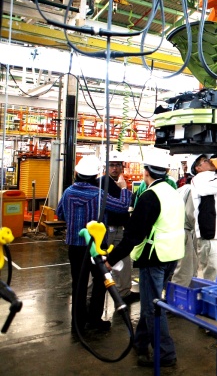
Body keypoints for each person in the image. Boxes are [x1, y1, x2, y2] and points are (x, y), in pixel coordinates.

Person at [105, 154, 185, 367]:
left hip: (154, 257)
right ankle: (140, 341)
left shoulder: (150, 196)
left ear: (146, 171)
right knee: (152, 301)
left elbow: (133, 234)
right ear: (165, 172)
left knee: (152, 307)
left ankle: (166, 354)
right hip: (172, 255)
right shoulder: (173, 192)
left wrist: (111, 259)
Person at [56, 155, 131, 331]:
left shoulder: (68, 192)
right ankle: (95, 320)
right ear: (96, 175)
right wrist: (124, 188)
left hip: (75, 246)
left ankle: (77, 324)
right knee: (100, 281)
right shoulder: (98, 194)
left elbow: (60, 214)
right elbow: (122, 206)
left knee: (78, 284)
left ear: (77, 173)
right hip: (96, 248)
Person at [98, 151, 139, 304]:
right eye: (111, 165)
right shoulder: (102, 183)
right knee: (101, 264)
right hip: (106, 230)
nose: (114, 168)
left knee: (124, 262)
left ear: (122, 167)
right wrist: (124, 189)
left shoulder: (121, 183)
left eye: (117, 165)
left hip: (120, 229)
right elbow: (122, 206)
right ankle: (93, 296)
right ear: (106, 167)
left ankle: (124, 293)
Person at [171, 169, 198, 287]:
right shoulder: (193, 190)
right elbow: (191, 215)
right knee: (184, 271)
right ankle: (178, 295)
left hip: (174, 229)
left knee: (178, 268)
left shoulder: (178, 190)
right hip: (185, 232)